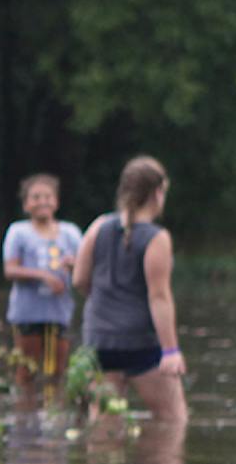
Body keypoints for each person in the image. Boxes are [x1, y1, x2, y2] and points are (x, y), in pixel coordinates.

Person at [72, 155, 189, 424]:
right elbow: (159, 296)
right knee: (172, 420)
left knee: (104, 421)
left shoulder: (98, 226)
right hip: (141, 342)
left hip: (98, 339)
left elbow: (79, 279)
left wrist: (105, 304)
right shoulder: (156, 237)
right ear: (158, 193)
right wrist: (171, 351)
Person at [1, 173, 83, 395]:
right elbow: (10, 270)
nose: (42, 202)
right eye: (36, 197)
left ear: (56, 201)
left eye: (47, 196)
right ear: (27, 204)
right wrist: (43, 275)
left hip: (59, 312)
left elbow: (85, 269)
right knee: (26, 371)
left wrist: (73, 265)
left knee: (57, 372)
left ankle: (52, 419)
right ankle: (24, 418)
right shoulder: (18, 232)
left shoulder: (71, 232)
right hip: (28, 313)